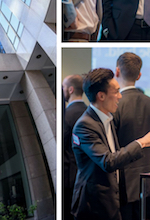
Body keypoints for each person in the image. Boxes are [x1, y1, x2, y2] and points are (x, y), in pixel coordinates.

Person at [71, 68, 150, 220]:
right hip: (94, 204)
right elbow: (108, 161)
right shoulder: (84, 125)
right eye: (116, 92)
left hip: (113, 200)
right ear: (101, 96)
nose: (120, 96)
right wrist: (141, 142)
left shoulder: (107, 119)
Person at [113, 52, 150, 220]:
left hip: (122, 180)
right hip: (147, 177)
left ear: (117, 72)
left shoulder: (115, 104)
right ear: (139, 75)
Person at [63, 75, 87, 220]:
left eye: (64, 87)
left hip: (69, 177)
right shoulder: (89, 112)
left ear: (70, 89)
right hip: (86, 175)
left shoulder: (66, 116)